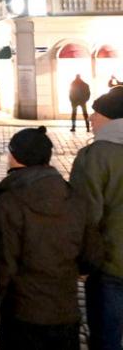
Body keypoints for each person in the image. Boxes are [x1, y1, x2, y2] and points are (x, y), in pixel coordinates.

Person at [0, 127, 95, 350]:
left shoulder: (9, 202)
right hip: (65, 312)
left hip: (22, 315)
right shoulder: (73, 197)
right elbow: (92, 255)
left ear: (14, 156)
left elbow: (1, 266)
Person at [70, 85, 123, 350]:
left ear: (111, 118)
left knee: (107, 339)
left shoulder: (95, 156)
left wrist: (83, 263)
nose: (91, 118)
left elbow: (85, 215)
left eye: (97, 113)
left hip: (110, 264)